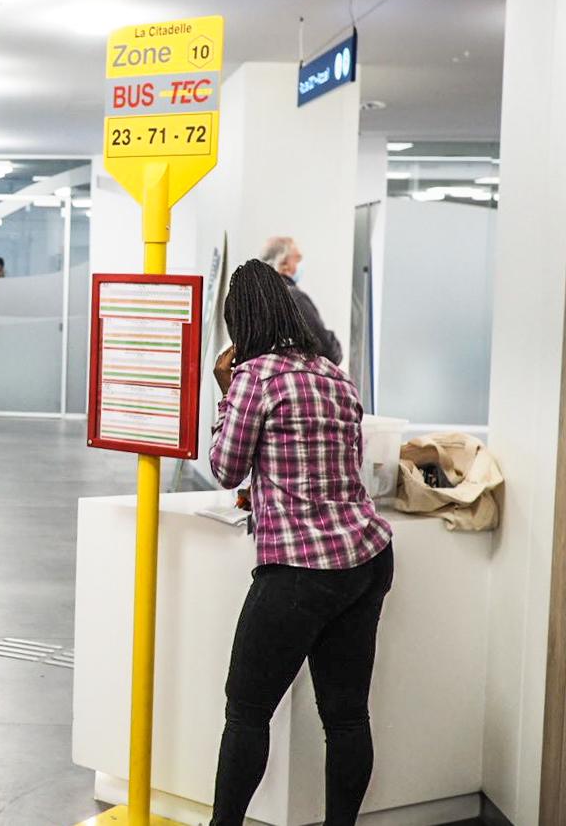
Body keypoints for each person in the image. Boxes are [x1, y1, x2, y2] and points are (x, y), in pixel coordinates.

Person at [208, 259, 393, 826]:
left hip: (299, 568)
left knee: (246, 711)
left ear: (240, 321)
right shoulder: (334, 374)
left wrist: (224, 391)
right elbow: (334, 464)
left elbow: (224, 467)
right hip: (366, 557)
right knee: (346, 717)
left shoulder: (253, 376)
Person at [260, 236, 342, 365]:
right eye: (298, 258)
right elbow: (328, 351)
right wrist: (331, 339)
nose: (301, 263)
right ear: (283, 264)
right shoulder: (293, 298)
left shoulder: (259, 299)